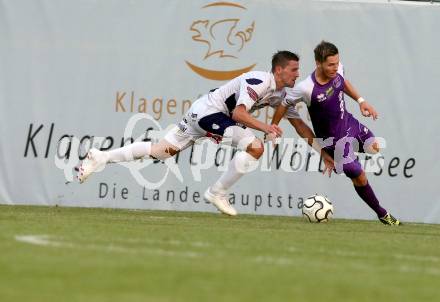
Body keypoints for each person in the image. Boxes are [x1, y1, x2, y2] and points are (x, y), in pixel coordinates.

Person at [78, 50, 303, 216]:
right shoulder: (261, 81)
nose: (297, 73)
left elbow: (295, 119)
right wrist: (266, 128)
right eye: (294, 69)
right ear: (278, 69)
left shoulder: (278, 92)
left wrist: (321, 150)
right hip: (210, 113)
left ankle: (102, 156)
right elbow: (238, 114)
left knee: (161, 151)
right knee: (255, 147)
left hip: (201, 111)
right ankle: (217, 192)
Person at [271, 41, 401, 225]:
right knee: (359, 175)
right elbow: (283, 104)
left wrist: (361, 101)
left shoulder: (338, 69)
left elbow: (342, 83)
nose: (335, 67)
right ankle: (382, 214)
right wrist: (273, 127)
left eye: (336, 63)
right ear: (318, 63)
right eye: (330, 64)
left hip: (349, 123)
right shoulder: (306, 88)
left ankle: (351, 159)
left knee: (375, 148)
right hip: (334, 143)